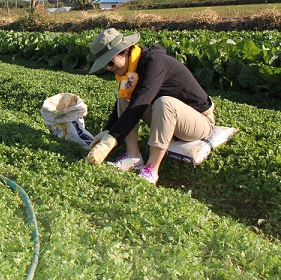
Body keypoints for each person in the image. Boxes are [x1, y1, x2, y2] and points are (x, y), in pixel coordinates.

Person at [85, 28, 215, 185]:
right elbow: (125, 104)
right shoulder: (131, 72)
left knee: (165, 102)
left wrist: (111, 140)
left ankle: (151, 169)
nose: (109, 68)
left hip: (200, 121)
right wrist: (107, 130)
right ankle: (133, 156)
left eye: (110, 62)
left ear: (124, 52)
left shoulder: (155, 63)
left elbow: (140, 102)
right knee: (124, 97)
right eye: (105, 66)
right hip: (171, 120)